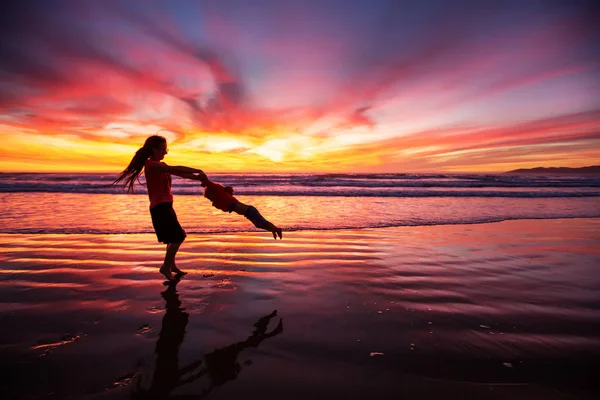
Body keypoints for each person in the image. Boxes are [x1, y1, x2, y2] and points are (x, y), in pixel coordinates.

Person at [113, 135, 207, 281]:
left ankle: (172, 265)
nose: (166, 152)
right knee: (178, 237)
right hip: (160, 207)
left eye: (166, 149)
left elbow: (178, 172)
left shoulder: (159, 165)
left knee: (173, 237)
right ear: (154, 150)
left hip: (166, 205)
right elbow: (174, 168)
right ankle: (165, 266)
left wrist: (198, 178)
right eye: (163, 149)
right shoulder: (152, 165)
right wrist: (197, 170)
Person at [200, 178, 283, 239]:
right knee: (259, 225)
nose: (209, 199)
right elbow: (223, 207)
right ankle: (274, 230)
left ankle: (276, 229)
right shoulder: (222, 199)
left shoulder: (222, 194)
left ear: (212, 193)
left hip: (250, 211)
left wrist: (204, 181)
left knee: (263, 222)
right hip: (248, 213)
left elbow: (210, 184)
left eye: (209, 197)